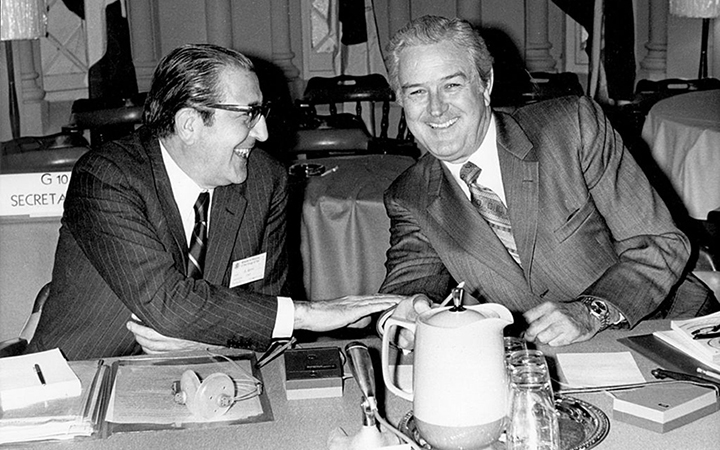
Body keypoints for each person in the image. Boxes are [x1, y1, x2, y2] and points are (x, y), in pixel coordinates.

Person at [26, 44, 404, 360]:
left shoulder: (263, 180)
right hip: (81, 380)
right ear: (190, 124)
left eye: (262, 112)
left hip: (211, 376)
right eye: (247, 116)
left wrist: (207, 340)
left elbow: (265, 307)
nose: (263, 132)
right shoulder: (107, 177)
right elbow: (167, 304)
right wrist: (308, 313)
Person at [378, 16, 717, 346]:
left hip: (663, 326)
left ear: (485, 85)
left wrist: (591, 312)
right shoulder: (409, 195)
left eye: (451, 85)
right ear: (400, 101)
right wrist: (411, 310)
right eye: (417, 93)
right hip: (542, 360)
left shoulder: (572, 129)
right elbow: (413, 280)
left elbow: (660, 242)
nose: (436, 109)